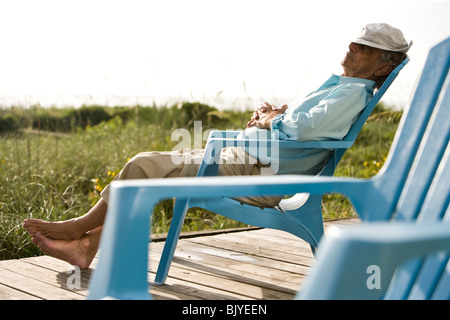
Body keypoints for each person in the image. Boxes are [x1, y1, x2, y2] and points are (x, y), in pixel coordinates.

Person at [23, 23, 411, 269]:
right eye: (357, 41)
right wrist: (279, 112)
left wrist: (271, 120)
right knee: (148, 168)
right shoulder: (344, 88)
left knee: (144, 165)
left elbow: (301, 127)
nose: (353, 47)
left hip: (256, 174)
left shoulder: (351, 94)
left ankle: (78, 231)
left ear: (381, 66)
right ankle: (85, 246)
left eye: (365, 47)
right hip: (247, 161)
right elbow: (305, 123)